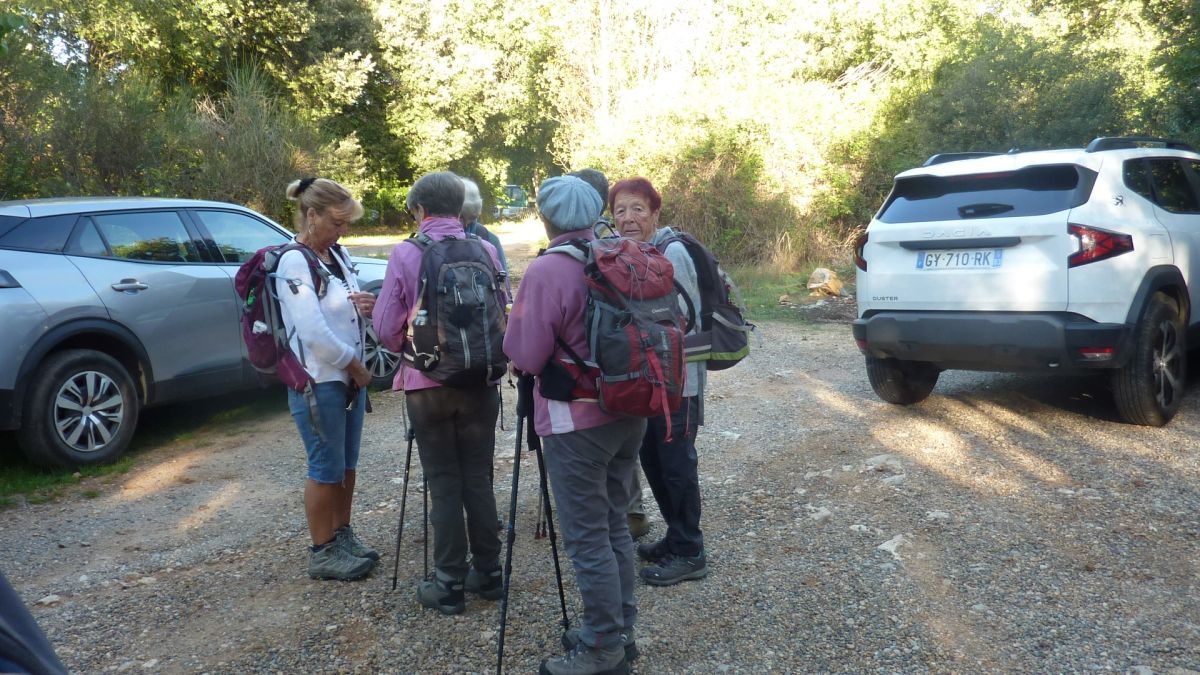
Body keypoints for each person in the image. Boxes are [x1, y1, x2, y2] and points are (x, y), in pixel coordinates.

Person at [505, 175, 643, 675]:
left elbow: (525, 353)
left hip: (576, 422)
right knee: (614, 528)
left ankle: (602, 646)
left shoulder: (548, 270)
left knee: (587, 537)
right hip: (630, 410)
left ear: (546, 218)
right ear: (594, 215)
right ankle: (620, 630)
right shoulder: (621, 255)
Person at [373, 171, 506, 615]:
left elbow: (388, 329)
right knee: (478, 477)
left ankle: (448, 582)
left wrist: (413, 349)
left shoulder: (407, 253)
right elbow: (502, 307)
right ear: (460, 208)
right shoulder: (485, 249)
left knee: (445, 483)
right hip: (481, 383)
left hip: (428, 385)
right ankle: (489, 574)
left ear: (419, 209)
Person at [277, 177, 378, 581]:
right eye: (337, 222)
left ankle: (342, 535)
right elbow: (313, 332)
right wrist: (355, 366)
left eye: (346, 223)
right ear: (312, 215)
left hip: (346, 379)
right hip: (319, 380)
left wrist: (368, 307)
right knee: (324, 465)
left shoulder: (336, 255)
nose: (343, 230)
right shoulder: (293, 262)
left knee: (346, 463)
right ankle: (322, 551)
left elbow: (342, 310)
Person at [609, 177, 709, 586]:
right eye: (620, 211)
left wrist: (679, 381)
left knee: (677, 464)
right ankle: (676, 535)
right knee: (652, 459)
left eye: (637, 209)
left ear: (654, 213)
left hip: (679, 384)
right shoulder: (634, 252)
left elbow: (689, 318)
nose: (628, 218)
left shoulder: (674, 251)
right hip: (652, 382)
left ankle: (691, 551)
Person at [568, 168, 652, 541]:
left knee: (606, 445)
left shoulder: (600, 242)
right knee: (624, 447)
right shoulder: (617, 241)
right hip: (630, 360)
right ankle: (629, 513)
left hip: (607, 360)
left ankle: (621, 516)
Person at [458, 176, 511, 287]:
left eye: (471, 219)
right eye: (463, 218)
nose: (466, 224)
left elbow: (503, 285)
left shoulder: (489, 238)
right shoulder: (489, 238)